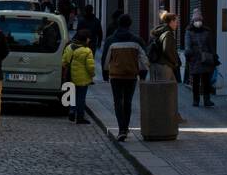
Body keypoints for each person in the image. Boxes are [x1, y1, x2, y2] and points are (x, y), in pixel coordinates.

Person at [101, 13, 148, 141]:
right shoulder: (136, 40)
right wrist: (143, 74)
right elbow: (144, 59)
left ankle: (121, 128)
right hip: (131, 76)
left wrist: (105, 74)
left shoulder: (111, 40)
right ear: (130, 24)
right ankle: (125, 127)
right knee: (127, 102)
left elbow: (105, 59)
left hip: (115, 75)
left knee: (118, 101)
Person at [149, 10, 186, 124]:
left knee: (164, 91)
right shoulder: (168, 34)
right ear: (170, 22)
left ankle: (171, 115)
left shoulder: (160, 31)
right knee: (169, 91)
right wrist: (175, 62)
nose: (177, 24)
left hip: (157, 65)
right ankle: (169, 116)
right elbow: (167, 50)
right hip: (165, 65)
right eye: (176, 21)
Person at [61, 31, 96, 125]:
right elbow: (90, 67)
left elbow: (64, 62)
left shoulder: (69, 48)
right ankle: (80, 117)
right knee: (81, 97)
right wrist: (92, 75)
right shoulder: (87, 51)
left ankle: (72, 111)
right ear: (84, 40)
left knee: (72, 95)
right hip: (82, 78)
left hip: (71, 76)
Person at [185, 10, 217, 107]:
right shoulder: (189, 31)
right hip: (194, 58)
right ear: (193, 21)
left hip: (205, 58)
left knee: (206, 80)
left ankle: (207, 100)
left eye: (199, 19)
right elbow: (188, 45)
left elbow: (210, 44)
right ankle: (196, 100)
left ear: (202, 20)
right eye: (196, 20)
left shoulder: (207, 31)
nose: (198, 21)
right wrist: (188, 53)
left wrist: (213, 55)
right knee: (195, 81)